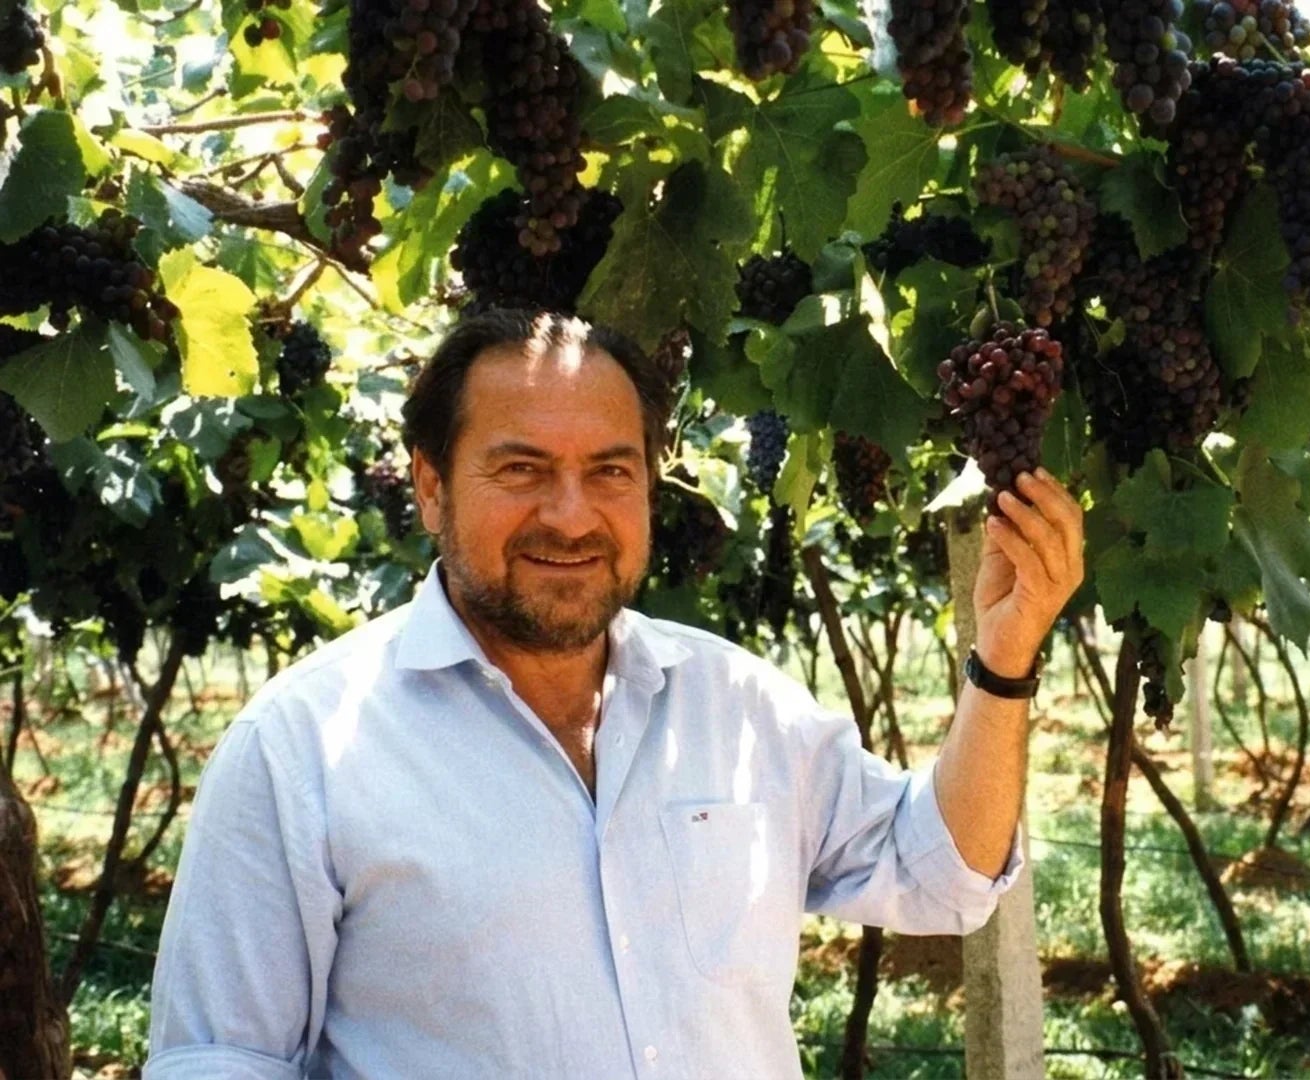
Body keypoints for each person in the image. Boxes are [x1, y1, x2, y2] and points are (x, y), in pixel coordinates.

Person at [145, 309, 1085, 1079]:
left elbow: (942, 874)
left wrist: (1001, 662)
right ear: (430, 488)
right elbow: (220, 1062)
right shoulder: (298, 750)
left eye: (610, 472)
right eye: (521, 470)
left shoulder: (739, 706)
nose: (570, 514)